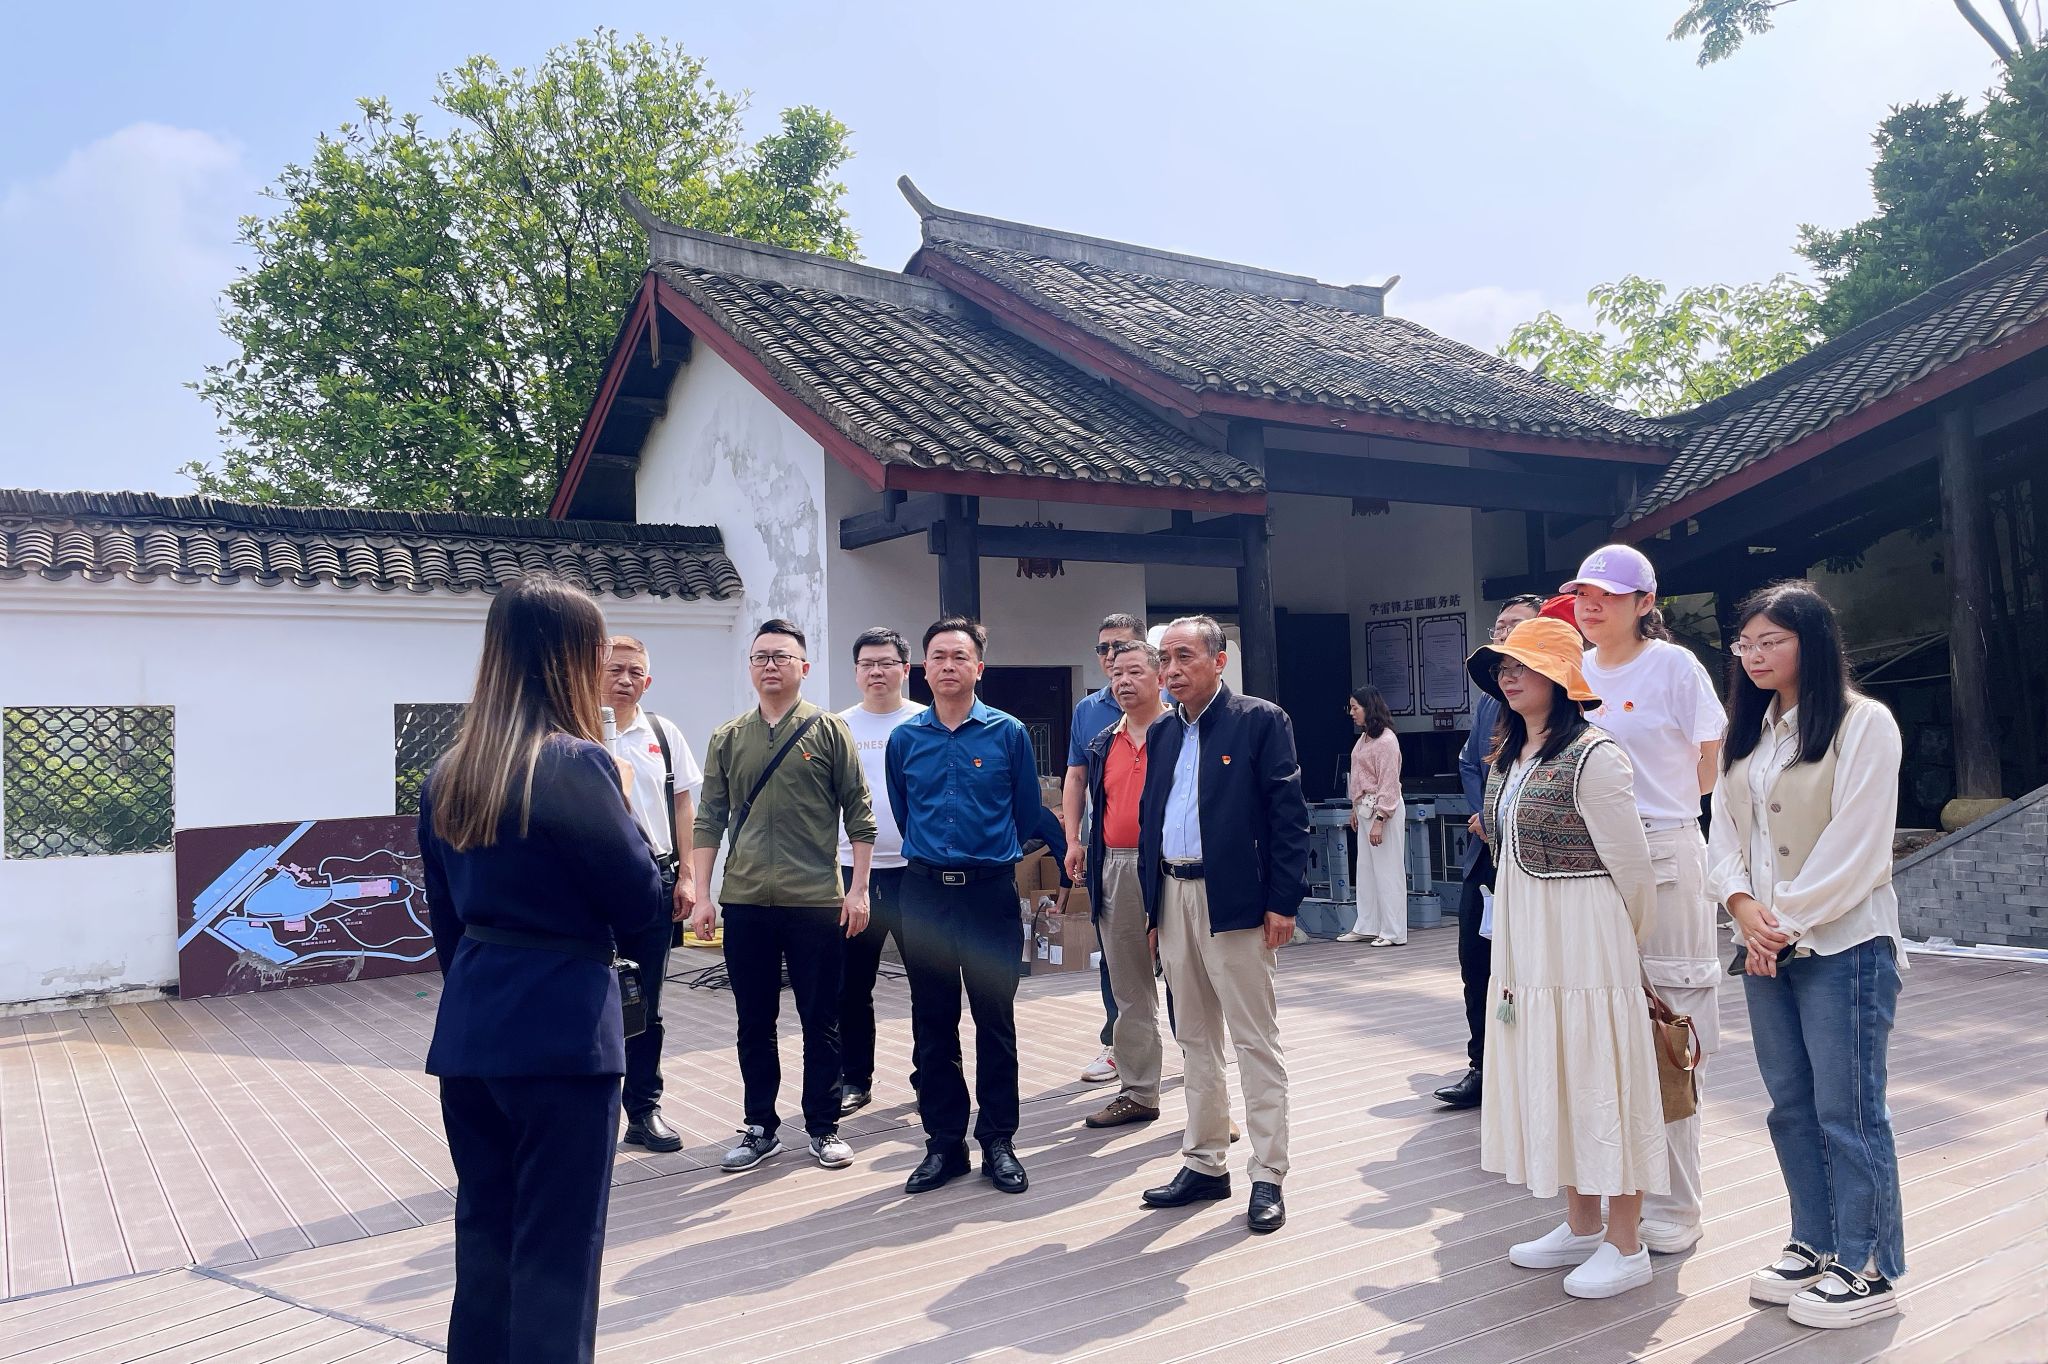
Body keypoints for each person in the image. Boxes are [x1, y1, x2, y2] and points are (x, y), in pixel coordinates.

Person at [417, 574, 667, 1364]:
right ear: (576, 659)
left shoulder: (449, 773)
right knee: (557, 1260)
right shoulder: (577, 765)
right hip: (565, 1035)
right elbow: (641, 904)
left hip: (473, 1030)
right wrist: (626, 798)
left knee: (485, 1247)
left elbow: (446, 921)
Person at [1709, 581, 1908, 1328]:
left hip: (1842, 943)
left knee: (1847, 1109)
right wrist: (1741, 907)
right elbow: (1722, 833)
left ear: (1812, 642)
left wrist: (1779, 924)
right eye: (1746, 643)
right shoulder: (1749, 733)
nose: (1755, 655)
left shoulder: (1864, 723)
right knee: (1790, 1104)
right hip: (1764, 944)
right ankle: (1815, 1241)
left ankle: (1869, 1263)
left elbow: (1857, 845)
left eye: (1772, 641)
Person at [1467, 615, 1668, 1300]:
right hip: (1527, 935)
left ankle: (1626, 1242)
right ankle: (1582, 1225)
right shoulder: (1508, 755)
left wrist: (1619, 948)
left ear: (1559, 678)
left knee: (1600, 1068)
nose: (1509, 676)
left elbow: (1632, 869)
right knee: (1555, 1065)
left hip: (1586, 935)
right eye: (1503, 667)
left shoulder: (1596, 754)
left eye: (1523, 665)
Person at [1566, 544, 1727, 1255]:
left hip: (1662, 846)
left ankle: (1677, 1206)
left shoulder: (1674, 666)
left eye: (1607, 595)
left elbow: (1710, 756)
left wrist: (1671, 808)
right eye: (1583, 594)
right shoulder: (1574, 671)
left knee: (1672, 1024)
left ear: (1645, 603)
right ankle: (1605, 1205)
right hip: (1588, 859)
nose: (1590, 606)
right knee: (1602, 1032)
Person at [1136, 616, 1310, 1235]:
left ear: (1219, 660)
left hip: (1234, 900)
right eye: (1164, 659)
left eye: (1184, 656)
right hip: (1173, 896)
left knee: (1253, 1039)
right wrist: (1152, 909)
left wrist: (1283, 902)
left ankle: (1269, 1173)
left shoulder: (1259, 720)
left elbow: (1288, 817)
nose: (1171, 670)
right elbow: (1152, 821)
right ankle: (1205, 1162)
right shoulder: (1162, 732)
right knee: (1194, 1038)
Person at [688, 619, 875, 1173]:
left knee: (821, 1018)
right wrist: (704, 895)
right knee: (754, 1020)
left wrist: (858, 891)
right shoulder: (728, 736)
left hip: (815, 900)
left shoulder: (829, 730)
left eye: (781, 656)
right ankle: (759, 1126)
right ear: (750, 667)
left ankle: (823, 1126)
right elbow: (708, 819)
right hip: (746, 901)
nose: (770, 665)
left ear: (803, 667)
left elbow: (860, 814)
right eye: (761, 657)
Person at [886, 617, 1044, 1196]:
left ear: (979, 667)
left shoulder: (1008, 733)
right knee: (932, 1021)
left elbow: (1026, 812)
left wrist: (987, 856)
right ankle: (944, 1144)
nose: (948, 665)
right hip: (925, 893)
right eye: (938, 656)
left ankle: (999, 1140)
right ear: (921, 669)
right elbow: (903, 810)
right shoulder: (906, 739)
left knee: (994, 1021)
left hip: (988, 893)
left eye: (959, 656)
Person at [1433, 594, 1545, 1108]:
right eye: (1499, 628)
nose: (1502, 636)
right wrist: (1485, 812)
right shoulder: (1488, 700)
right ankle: (1482, 1065)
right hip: (1485, 852)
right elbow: (1471, 762)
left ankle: (1533, 1067)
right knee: (1476, 961)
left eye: (1515, 627)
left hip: (1534, 857)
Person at [601, 635, 704, 1155]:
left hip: (653, 879)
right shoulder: (572, 731)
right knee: (587, 999)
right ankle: (591, 1113)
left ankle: (643, 1110)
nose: (625, 680)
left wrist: (688, 876)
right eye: (614, 669)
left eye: (634, 672)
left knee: (644, 1002)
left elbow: (683, 805)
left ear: (648, 680)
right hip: (589, 886)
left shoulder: (662, 733)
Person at [1069, 638, 1170, 1129]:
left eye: (1134, 672)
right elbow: (1086, 792)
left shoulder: (1183, 733)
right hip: (1115, 866)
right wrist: (1076, 842)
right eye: (1116, 675)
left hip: (1174, 867)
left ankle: (1211, 1103)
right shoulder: (1104, 740)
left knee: (1194, 988)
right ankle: (1139, 1091)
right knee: (1129, 986)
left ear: (1160, 677)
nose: (1123, 681)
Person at [834, 627, 926, 1119]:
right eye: (867, 663)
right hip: (853, 874)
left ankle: (928, 1075)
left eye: (887, 663)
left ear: (905, 670)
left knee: (928, 983)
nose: (876, 672)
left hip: (917, 872)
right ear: (855, 672)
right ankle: (854, 1078)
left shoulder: (925, 721)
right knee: (850, 985)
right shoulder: (837, 727)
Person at [1061, 611, 1149, 1087]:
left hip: (1165, 850)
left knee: (1177, 953)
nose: (1111, 657)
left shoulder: (1171, 704)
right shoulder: (1088, 710)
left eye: (1121, 647)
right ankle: (1117, 1044)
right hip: (1107, 848)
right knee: (1114, 950)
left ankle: (1191, 1044)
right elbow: (1076, 776)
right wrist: (1073, 838)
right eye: (1103, 649)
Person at [1337, 684, 1406, 946]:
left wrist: (1380, 818)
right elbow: (1358, 777)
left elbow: (1389, 782)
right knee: (1366, 871)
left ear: (1369, 708)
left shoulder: (1386, 741)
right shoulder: (1365, 738)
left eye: (1355, 707)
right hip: (1365, 807)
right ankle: (1368, 925)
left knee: (1388, 870)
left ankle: (1393, 931)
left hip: (1382, 810)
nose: (1351, 712)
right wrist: (1355, 808)